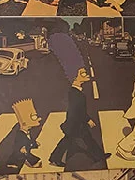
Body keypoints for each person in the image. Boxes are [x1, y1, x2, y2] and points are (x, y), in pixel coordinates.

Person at [47, 33, 110, 168]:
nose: (86, 74)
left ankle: (98, 156)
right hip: (74, 124)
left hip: (77, 123)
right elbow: (77, 111)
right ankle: (54, 158)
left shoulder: (76, 92)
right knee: (67, 141)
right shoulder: (75, 94)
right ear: (75, 77)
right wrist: (88, 119)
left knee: (87, 139)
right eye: (83, 73)